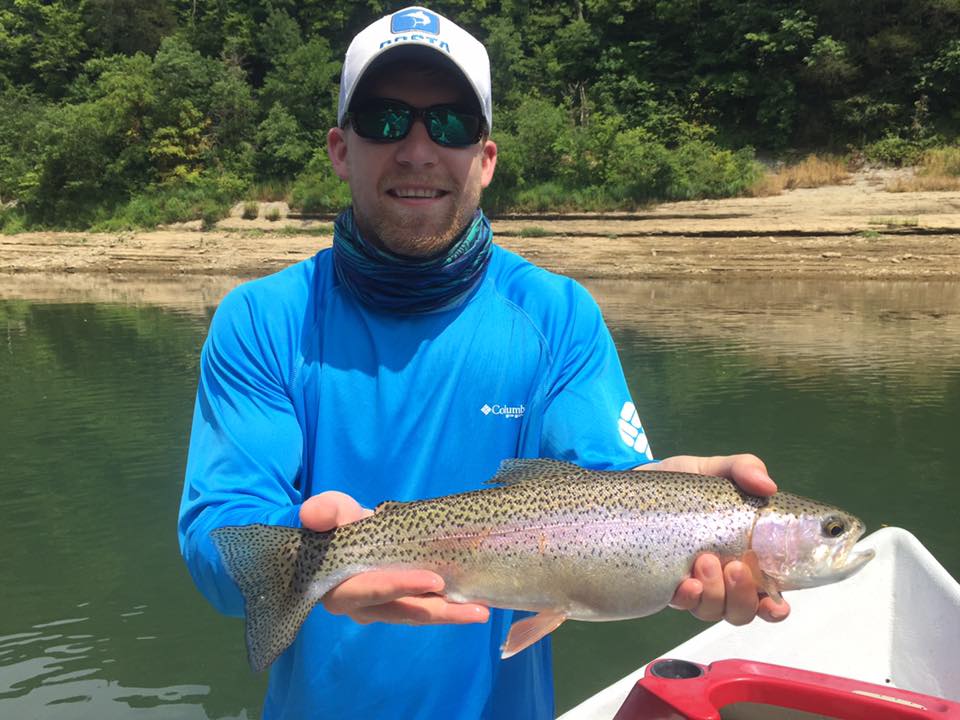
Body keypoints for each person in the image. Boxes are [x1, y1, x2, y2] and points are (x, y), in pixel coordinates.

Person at [178, 6, 789, 719]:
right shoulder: (262, 320)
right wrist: (303, 542)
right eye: (384, 120)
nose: (416, 149)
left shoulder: (558, 318)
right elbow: (222, 533)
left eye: (449, 124)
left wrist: (665, 508)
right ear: (341, 149)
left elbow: (607, 486)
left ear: (486, 159)